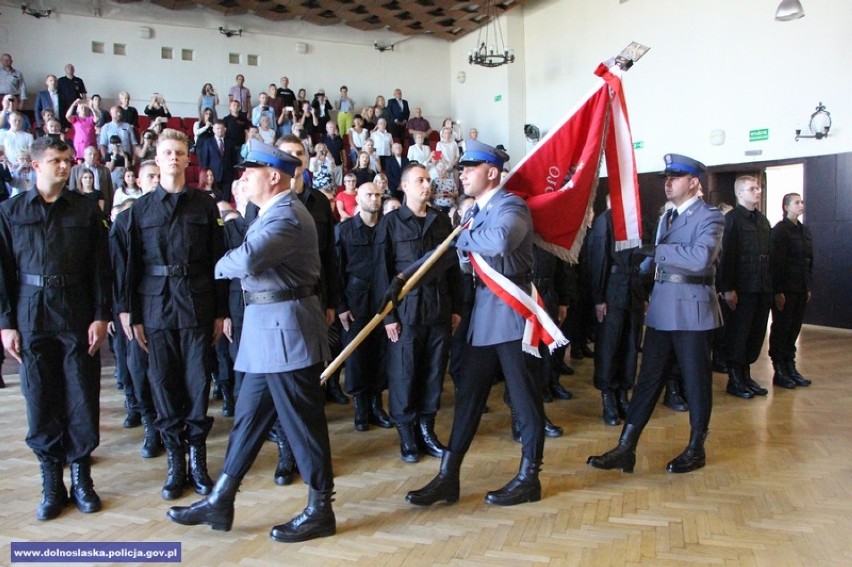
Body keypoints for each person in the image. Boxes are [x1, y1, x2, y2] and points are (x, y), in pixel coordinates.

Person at [167, 140, 337, 543]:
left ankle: (320, 509)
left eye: (249, 172)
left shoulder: (288, 216)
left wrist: (222, 263)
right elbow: (247, 256)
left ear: (273, 176)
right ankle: (221, 498)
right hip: (268, 331)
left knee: (303, 424)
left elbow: (243, 261)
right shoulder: (270, 213)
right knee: (248, 420)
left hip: (287, 333)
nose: (242, 178)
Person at [405, 140, 565, 507]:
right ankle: (448, 477)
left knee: (525, 402)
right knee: (468, 398)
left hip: (512, 316)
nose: (461, 174)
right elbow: (445, 251)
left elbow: (500, 240)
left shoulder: (512, 206)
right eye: (461, 168)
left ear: (492, 172)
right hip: (484, 316)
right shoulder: (472, 214)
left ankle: (530, 478)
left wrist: (462, 236)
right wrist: (404, 279)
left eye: (469, 168)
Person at [587, 153, 723, 475]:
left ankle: (696, 448)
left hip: (692, 309)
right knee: (647, 380)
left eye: (675, 178)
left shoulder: (710, 216)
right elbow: (656, 261)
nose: (668, 183)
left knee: (696, 381)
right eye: (666, 178)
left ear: (693, 183)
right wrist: (640, 265)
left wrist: (653, 251)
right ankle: (626, 447)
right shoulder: (666, 217)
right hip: (663, 307)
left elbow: (700, 258)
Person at [0, 137, 111, 520]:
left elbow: (101, 267)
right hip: (32, 315)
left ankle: (81, 478)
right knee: (40, 397)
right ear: (35, 167)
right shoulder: (10, 211)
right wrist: (6, 324)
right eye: (56, 161)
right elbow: (3, 274)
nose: (65, 167)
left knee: (82, 393)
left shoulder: (85, 209)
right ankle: (51, 483)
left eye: (68, 160)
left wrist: (101, 314)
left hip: (77, 312)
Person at [122, 128, 228, 501]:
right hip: (155, 306)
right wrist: (132, 314)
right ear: (157, 157)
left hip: (197, 303)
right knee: (164, 384)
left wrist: (220, 311)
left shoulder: (204, 205)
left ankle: (198, 462)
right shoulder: (141, 209)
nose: (173, 158)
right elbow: (132, 266)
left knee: (198, 383)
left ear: (187, 159)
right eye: (167, 152)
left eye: (179, 152)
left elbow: (218, 262)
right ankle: (175, 464)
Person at [374, 162, 463, 463]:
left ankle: (427, 429)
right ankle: (407, 434)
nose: (427, 185)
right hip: (406, 313)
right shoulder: (391, 224)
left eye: (428, 180)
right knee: (405, 373)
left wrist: (456, 309)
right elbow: (381, 274)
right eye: (420, 180)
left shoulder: (440, 221)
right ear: (405, 186)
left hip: (438, 309)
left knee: (434, 372)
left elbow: (453, 269)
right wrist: (388, 316)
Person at [110, 160, 163, 459]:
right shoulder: (126, 220)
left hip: (166, 306)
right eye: (150, 176)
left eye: (158, 176)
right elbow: (118, 270)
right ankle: (149, 426)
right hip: (136, 306)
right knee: (140, 370)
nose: (155, 181)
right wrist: (123, 310)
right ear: (139, 182)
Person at [336, 182, 393, 431]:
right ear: (357, 198)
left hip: (383, 300)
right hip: (355, 300)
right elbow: (335, 271)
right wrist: (340, 305)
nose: (375, 198)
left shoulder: (388, 229)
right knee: (357, 356)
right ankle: (361, 408)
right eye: (369, 194)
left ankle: (376, 405)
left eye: (378, 194)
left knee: (381, 354)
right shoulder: (345, 230)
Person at [588, 197, 648, 425]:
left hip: (633, 290)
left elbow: (644, 259)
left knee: (631, 344)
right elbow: (598, 261)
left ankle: (624, 392)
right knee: (609, 346)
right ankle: (608, 396)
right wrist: (598, 298)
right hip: (611, 290)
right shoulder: (605, 221)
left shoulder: (638, 221)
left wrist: (643, 294)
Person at [717, 175, 772, 399]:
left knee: (755, 334)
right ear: (739, 193)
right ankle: (735, 379)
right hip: (742, 287)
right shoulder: (731, 220)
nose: (757, 191)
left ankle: (746, 375)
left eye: (758, 188)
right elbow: (726, 256)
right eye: (752, 188)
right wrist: (727, 287)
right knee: (738, 334)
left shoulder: (763, 221)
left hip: (762, 286)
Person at [768, 193, 813, 388]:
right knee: (782, 327)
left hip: (800, 287)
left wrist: (808, 286)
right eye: (797, 202)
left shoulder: (804, 231)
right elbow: (776, 263)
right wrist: (778, 291)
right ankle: (779, 369)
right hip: (786, 288)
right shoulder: (780, 230)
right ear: (786, 207)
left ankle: (790, 365)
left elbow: (809, 261)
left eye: (802, 201)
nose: (801, 205)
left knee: (794, 328)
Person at [197, 121, 237, 203]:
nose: (220, 130)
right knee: (213, 202)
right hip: (213, 176)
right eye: (217, 128)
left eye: (222, 128)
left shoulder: (230, 143)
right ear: (213, 130)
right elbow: (204, 160)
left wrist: (233, 175)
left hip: (227, 177)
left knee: (226, 202)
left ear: (225, 129)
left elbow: (234, 160)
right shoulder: (208, 142)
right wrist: (206, 175)